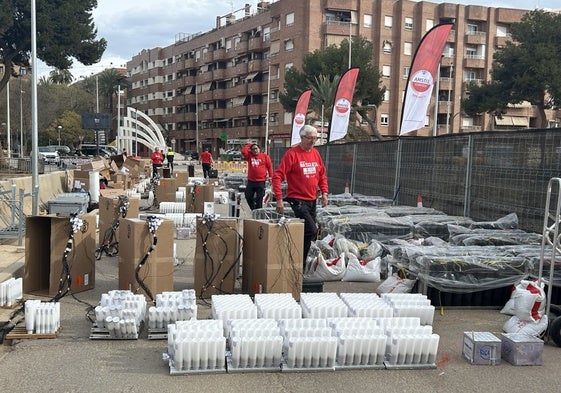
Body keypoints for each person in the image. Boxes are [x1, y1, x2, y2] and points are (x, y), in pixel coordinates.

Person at [272, 124, 328, 268]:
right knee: (312, 230)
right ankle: (293, 257)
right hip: (297, 199)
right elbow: (277, 176)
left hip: (312, 199)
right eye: (310, 138)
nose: (313, 141)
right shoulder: (292, 154)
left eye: (315, 138)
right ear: (302, 137)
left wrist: (324, 193)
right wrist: (279, 199)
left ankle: (299, 265)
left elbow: (322, 175)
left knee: (307, 236)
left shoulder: (315, 154)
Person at [241, 142, 273, 210]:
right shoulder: (250, 156)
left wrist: (271, 177)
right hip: (251, 181)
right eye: (253, 149)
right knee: (248, 196)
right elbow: (243, 151)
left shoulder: (264, 156)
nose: (255, 150)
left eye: (256, 148)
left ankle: (258, 214)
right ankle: (253, 210)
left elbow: (270, 167)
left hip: (261, 181)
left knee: (259, 199)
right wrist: (249, 144)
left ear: (259, 149)